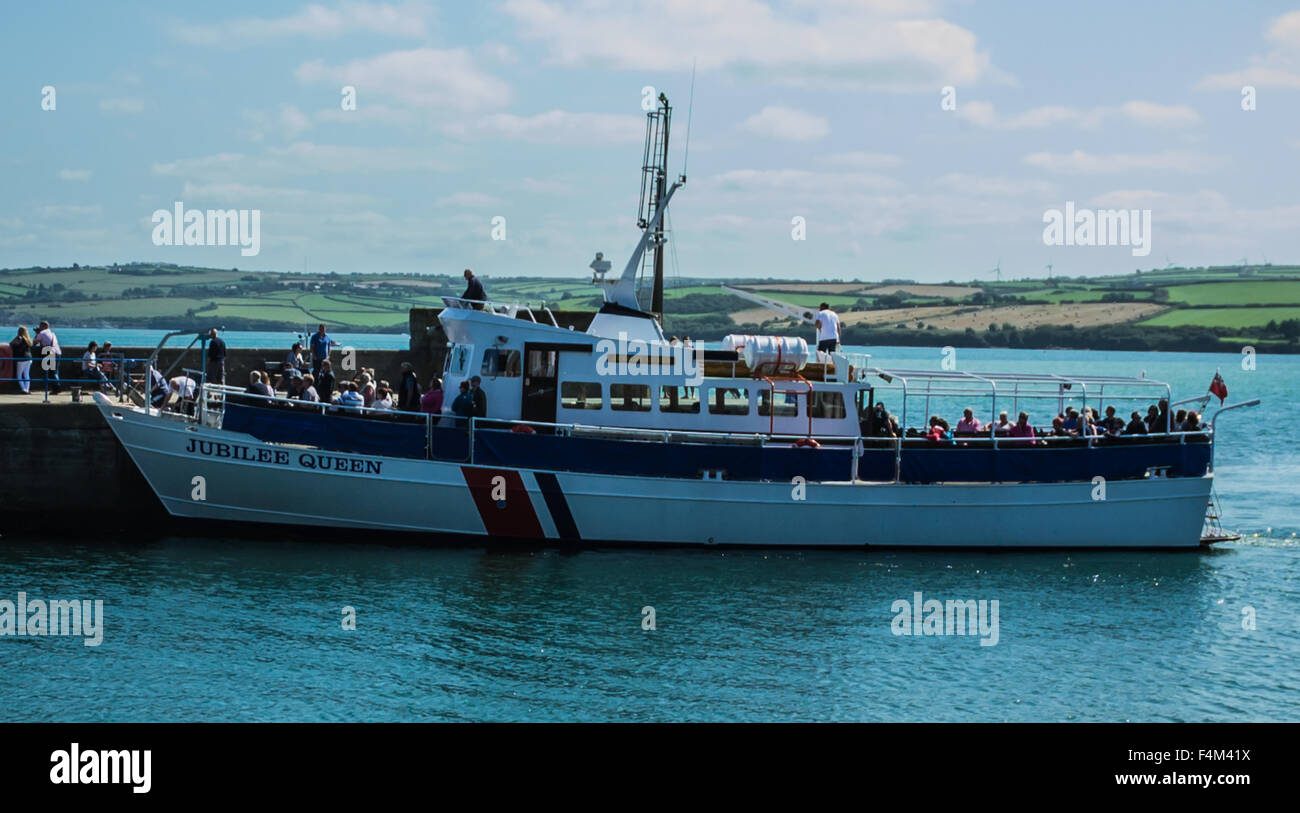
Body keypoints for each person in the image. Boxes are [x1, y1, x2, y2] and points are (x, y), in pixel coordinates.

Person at [34, 320, 61, 394]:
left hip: (49, 351)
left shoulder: (42, 333)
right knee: (55, 371)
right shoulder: (52, 333)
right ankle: (57, 386)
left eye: (40, 326)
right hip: (57, 352)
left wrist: (37, 333)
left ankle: (56, 388)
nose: (39, 327)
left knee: (51, 372)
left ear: (44, 326)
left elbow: (34, 342)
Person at [9, 326, 32, 394]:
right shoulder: (28, 340)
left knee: (19, 376)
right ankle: (27, 389)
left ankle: (24, 389)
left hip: (22, 359)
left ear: (20, 332)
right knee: (26, 375)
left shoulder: (20, 339)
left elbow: (13, 345)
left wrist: (15, 340)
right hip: (29, 358)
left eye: (18, 331)